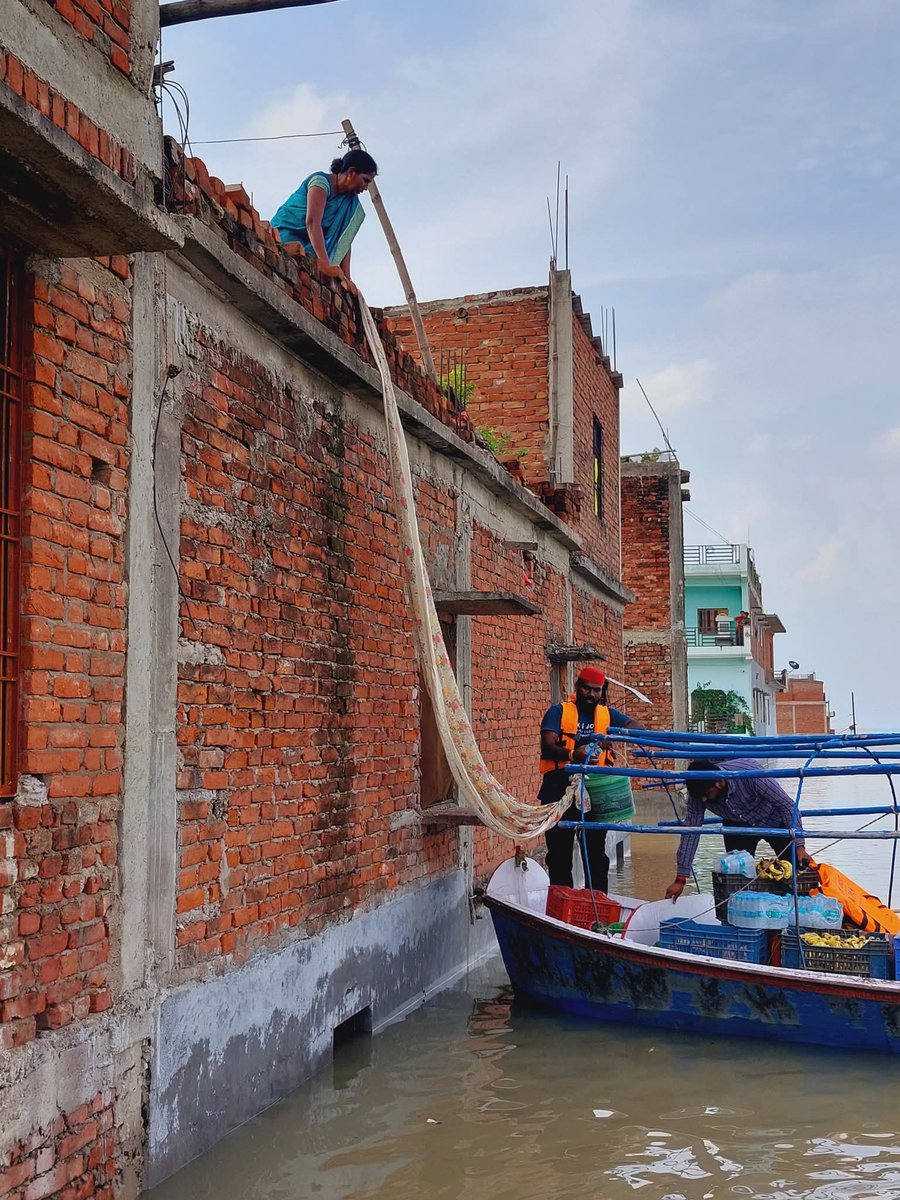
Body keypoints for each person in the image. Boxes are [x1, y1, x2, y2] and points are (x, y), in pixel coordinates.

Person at [539, 666, 641, 891]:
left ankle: (598, 906)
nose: (591, 695)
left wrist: (613, 734)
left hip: (596, 791)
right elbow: (548, 744)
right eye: (587, 689)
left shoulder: (607, 714)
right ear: (578, 687)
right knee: (559, 855)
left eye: (597, 691)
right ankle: (562, 908)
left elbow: (637, 727)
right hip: (559, 789)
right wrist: (573, 754)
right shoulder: (558, 712)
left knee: (596, 854)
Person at [665, 758, 812, 900]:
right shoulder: (699, 794)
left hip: (773, 819)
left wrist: (800, 846)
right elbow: (691, 830)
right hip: (737, 825)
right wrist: (681, 878)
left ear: (720, 782)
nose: (704, 800)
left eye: (707, 794)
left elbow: (787, 807)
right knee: (737, 874)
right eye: (700, 797)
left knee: (796, 869)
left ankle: (798, 906)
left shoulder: (753, 777)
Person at [271, 148, 378, 281]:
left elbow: (344, 240)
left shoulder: (350, 203)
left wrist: (346, 280)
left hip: (313, 251)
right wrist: (326, 265)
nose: (366, 187)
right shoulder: (320, 183)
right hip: (286, 235)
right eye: (365, 180)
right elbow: (312, 223)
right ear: (351, 172)